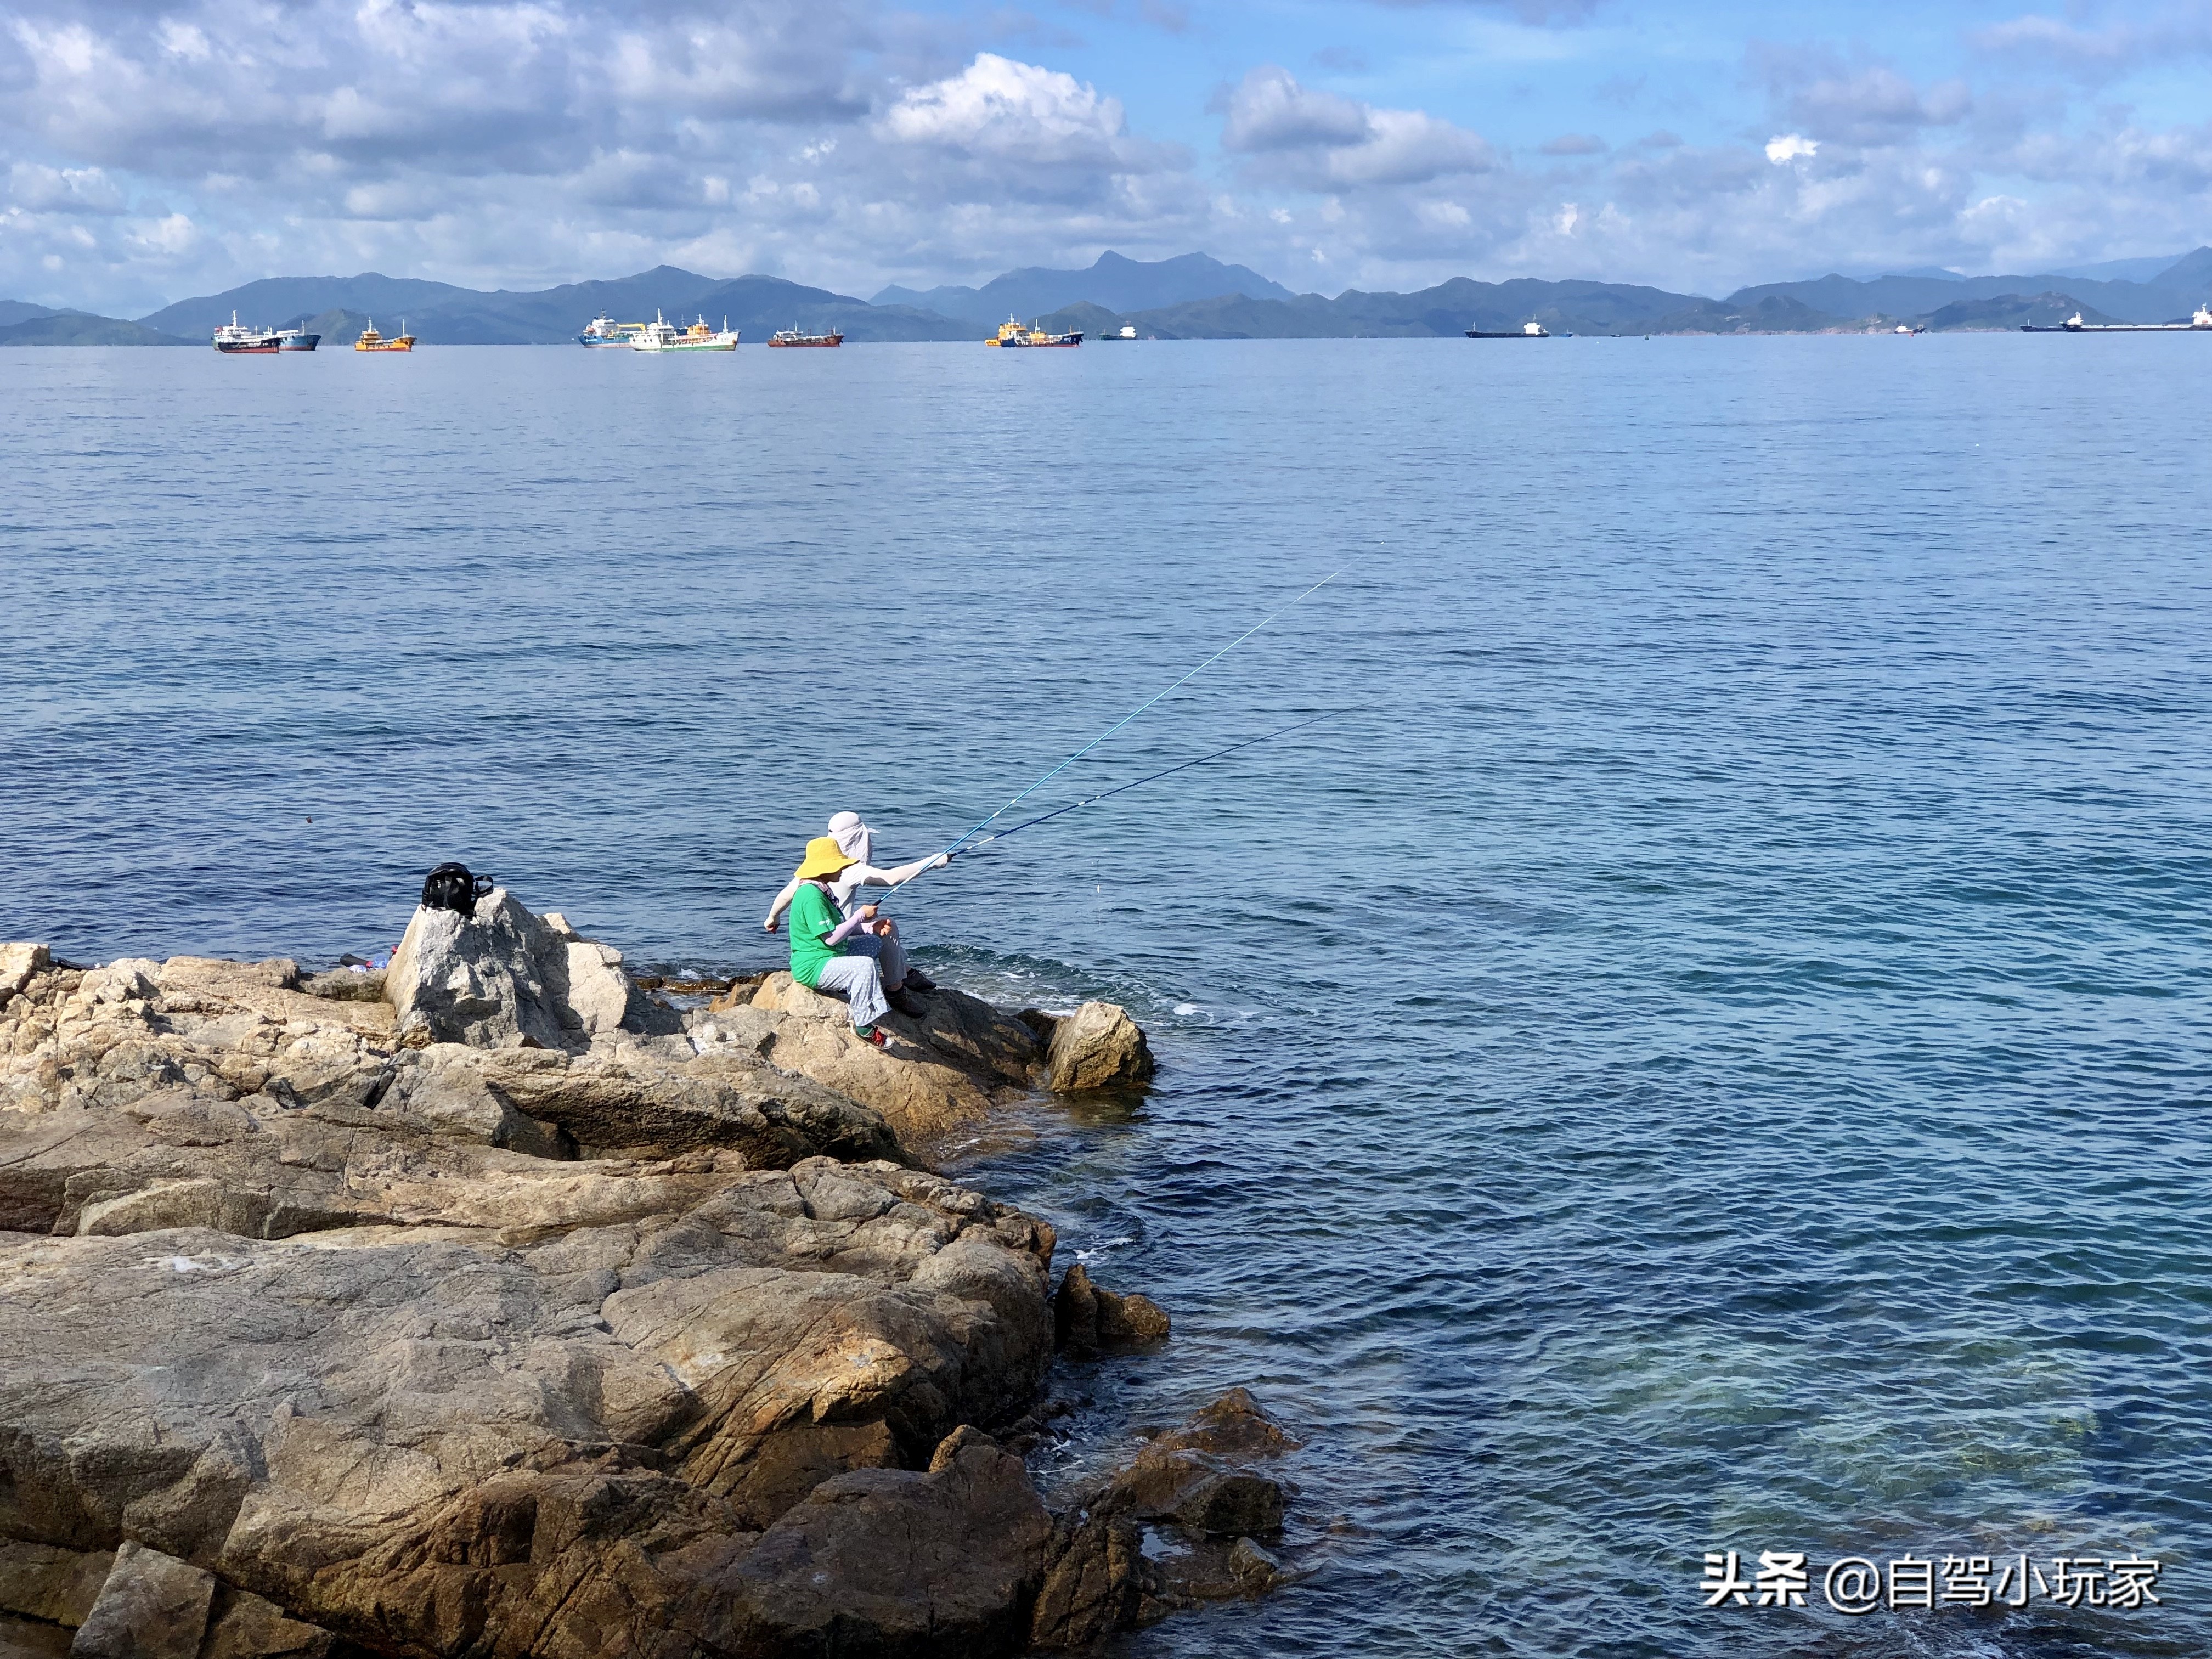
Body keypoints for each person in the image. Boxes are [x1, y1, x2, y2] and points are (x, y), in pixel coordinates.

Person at [765, 812, 950, 992]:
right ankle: (896, 989)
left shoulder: (812, 873)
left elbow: (785, 895)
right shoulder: (850, 870)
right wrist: (934, 861)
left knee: (880, 928)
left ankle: (905, 971)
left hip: (827, 938)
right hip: (838, 938)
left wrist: (773, 918)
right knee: (888, 926)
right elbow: (892, 878)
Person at [785, 837, 931, 1042]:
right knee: (864, 966)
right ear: (824, 868)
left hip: (832, 956)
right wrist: (860, 916)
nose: (842, 870)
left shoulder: (822, 890)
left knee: (878, 939)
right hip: (814, 967)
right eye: (838, 866)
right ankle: (864, 1026)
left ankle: (895, 991)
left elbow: (840, 929)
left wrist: (871, 927)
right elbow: (831, 939)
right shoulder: (811, 896)